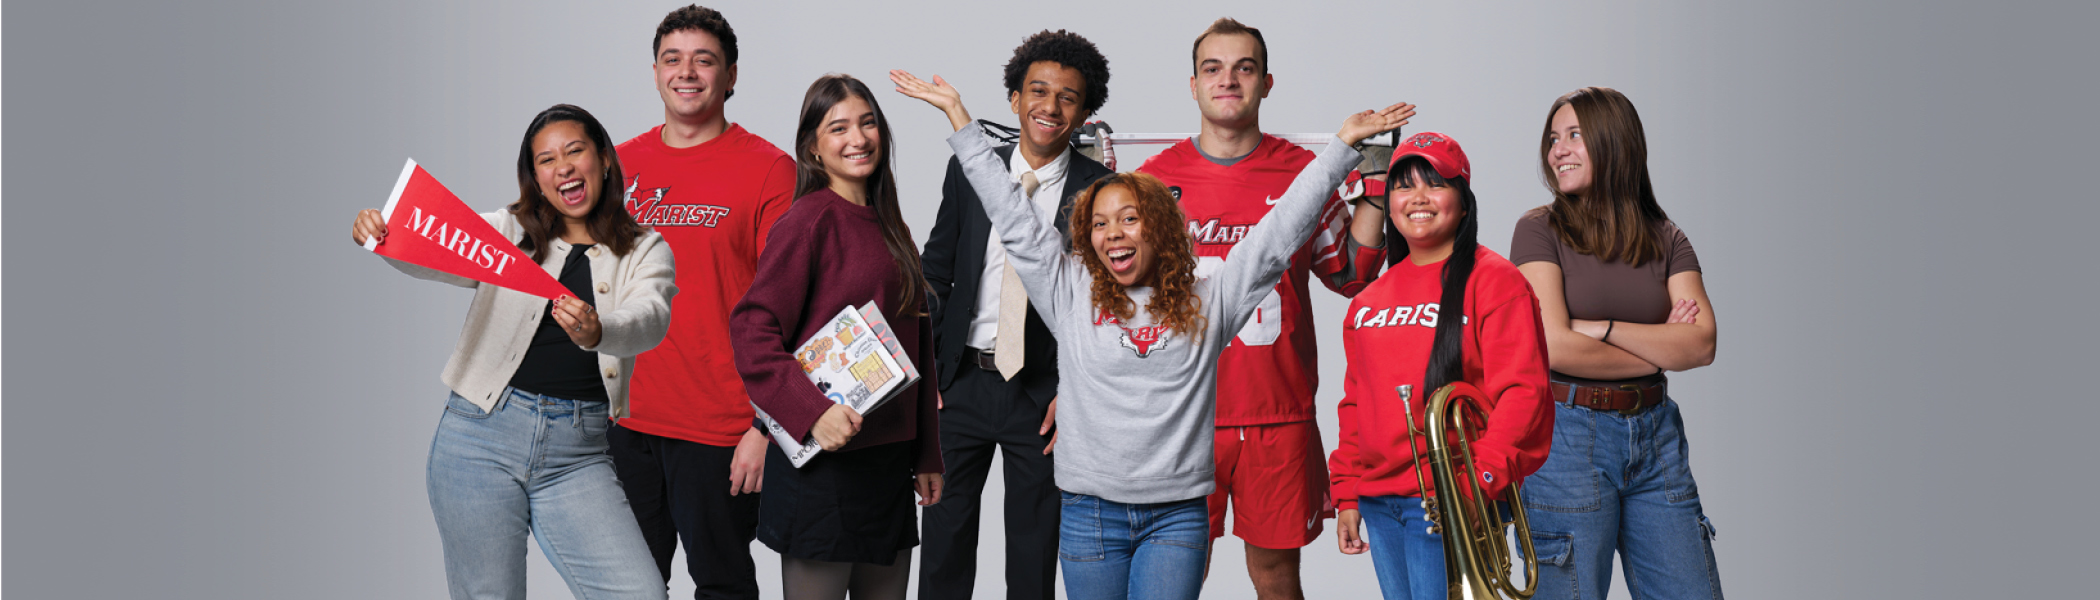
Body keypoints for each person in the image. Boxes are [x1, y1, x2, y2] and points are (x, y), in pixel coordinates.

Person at [894, 67, 1411, 600]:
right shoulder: (1068, 291)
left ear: (1160, 227)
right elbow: (1010, 214)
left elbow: (1277, 237)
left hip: (1176, 515)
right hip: (1089, 511)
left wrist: (1343, 148)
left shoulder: (1210, 299)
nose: (1112, 232)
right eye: (1099, 223)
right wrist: (959, 117)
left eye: (1129, 218)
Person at [349, 104, 675, 600]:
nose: (562, 166)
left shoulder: (645, 249)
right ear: (536, 178)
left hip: (578, 452)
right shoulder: (508, 232)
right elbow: (431, 250)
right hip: (478, 438)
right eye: (545, 160)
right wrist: (381, 232)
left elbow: (650, 319)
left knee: (640, 593)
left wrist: (598, 329)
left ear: (604, 159)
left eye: (574, 151)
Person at [1132, 19, 1389, 600]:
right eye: (1213, 69)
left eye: (1244, 68)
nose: (1228, 80)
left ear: (1266, 83)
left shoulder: (1304, 171)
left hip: (1277, 409)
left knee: (1275, 578)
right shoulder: (1153, 182)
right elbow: (1118, 304)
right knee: (1173, 578)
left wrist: (1373, 185)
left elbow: (1351, 274)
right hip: (1180, 414)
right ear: (1192, 86)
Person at [915, 29, 1113, 600]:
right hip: (960, 387)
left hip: (1044, 395)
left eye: (1067, 97)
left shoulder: (1100, 191)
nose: (1049, 107)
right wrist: (931, 372)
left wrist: (1075, 389)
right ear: (1014, 98)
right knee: (944, 547)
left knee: (1034, 552)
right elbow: (937, 270)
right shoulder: (973, 170)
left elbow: (1104, 309)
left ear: (1085, 112)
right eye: (1037, 91)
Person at [730, 73, 944, 600]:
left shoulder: (890, 224)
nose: (858, 138)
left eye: (868, 123)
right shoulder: (806, 222)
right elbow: (752, 330)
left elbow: (917, 343)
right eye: (839, 127)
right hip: (823, 470)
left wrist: (927, 453)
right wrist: (810, 411)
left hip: (887, 467)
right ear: (813, 148)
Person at [609, 6, 796, 599]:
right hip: (623, 420)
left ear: (731, 76)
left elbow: (794, 305)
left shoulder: (769, 171)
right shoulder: (618, 164)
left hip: (719, 428)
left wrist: (765, 428)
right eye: (673, 59)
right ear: (656, 72)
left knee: (722, 585)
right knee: (623, 587)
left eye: (704, 60)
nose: (686, 72)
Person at [1511, 86, 1723, 599]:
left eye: (1575, 135)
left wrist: (1599, 327)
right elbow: (1555, 348)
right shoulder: (1539, 230)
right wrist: (1659, 340)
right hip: (1566, 437)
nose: (1558, 149)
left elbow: (1700, 346)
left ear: (1616, 142)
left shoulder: (1666, 236)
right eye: (1553, 138)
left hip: (1657, 439)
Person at [1325, 132, 1554, 600]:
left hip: (1450, 497)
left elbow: (1524, 392)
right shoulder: (1367, 302)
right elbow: (1354, 403)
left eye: (1436, 184)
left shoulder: (1495, 281)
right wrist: (1346, 491)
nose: (1419, 198)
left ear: (1464, 203)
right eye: (1404, 186)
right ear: (1388, 203)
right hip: (1379, 501)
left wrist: (1477, 484)